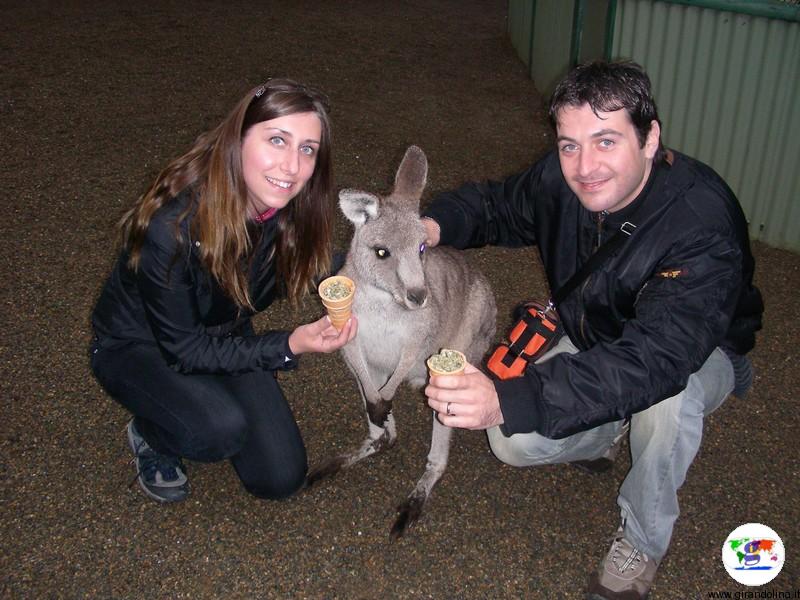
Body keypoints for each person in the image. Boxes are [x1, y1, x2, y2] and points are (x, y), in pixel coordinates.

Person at [421, 61, 763, 599]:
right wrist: (427, 227)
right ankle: (611, 429)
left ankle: (643, 541)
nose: (585, 166)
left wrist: (512, 395)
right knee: (513, 441)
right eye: (569, 145)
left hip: (697, 350)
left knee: (666, 399)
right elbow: (497, 207)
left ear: (650, 137)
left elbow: (655, 358)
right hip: (597, 327)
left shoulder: (701, 222)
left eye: (606, 141)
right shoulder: (561, 177)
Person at [90, 79, 357, 505]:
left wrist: (384, 265)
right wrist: (289, 344)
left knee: (280, 479)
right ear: (238, 139)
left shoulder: (288, 210)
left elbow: (318, 266)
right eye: (276, 140)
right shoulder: (172, 227)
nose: (291, 166)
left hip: (221, 332)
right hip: (141, 345)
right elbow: (185, 351)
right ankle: (152, 434)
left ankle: (203, 401)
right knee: (216, 430)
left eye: (307, 149)